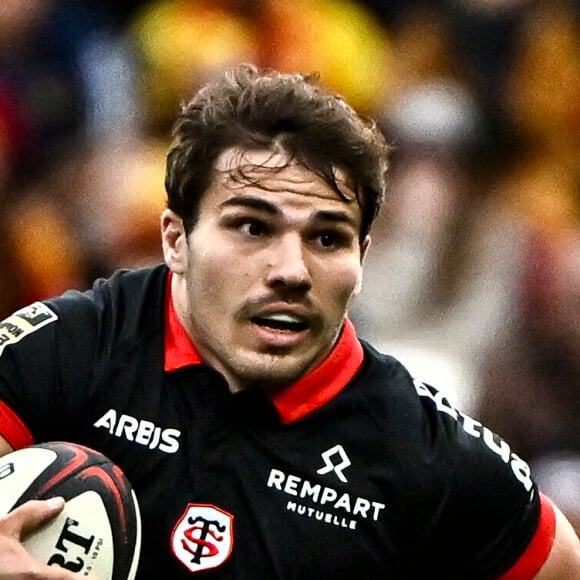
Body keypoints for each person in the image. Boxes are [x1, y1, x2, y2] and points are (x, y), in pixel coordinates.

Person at [0, 64, 578, 579]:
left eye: (328, 238)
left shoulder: (418, 446)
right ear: (176, 240)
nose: (292, 270)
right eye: (253, 227)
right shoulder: (74, 346)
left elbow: (561, 563)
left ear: (362, 258)